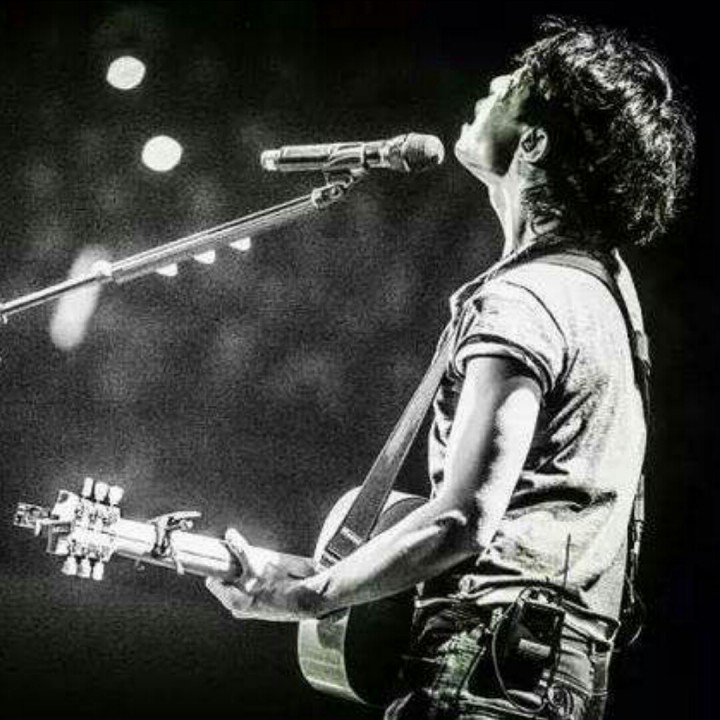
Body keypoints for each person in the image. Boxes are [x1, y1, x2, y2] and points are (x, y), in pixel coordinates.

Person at [206, 19, 694, 719]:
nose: (491, 84)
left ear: (534, 144)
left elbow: (465, 516)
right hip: (550, 671)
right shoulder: (606, 294)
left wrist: (312, 596)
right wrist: (321, 576)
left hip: (485, 670)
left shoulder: (526, 299)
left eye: (513, 86)